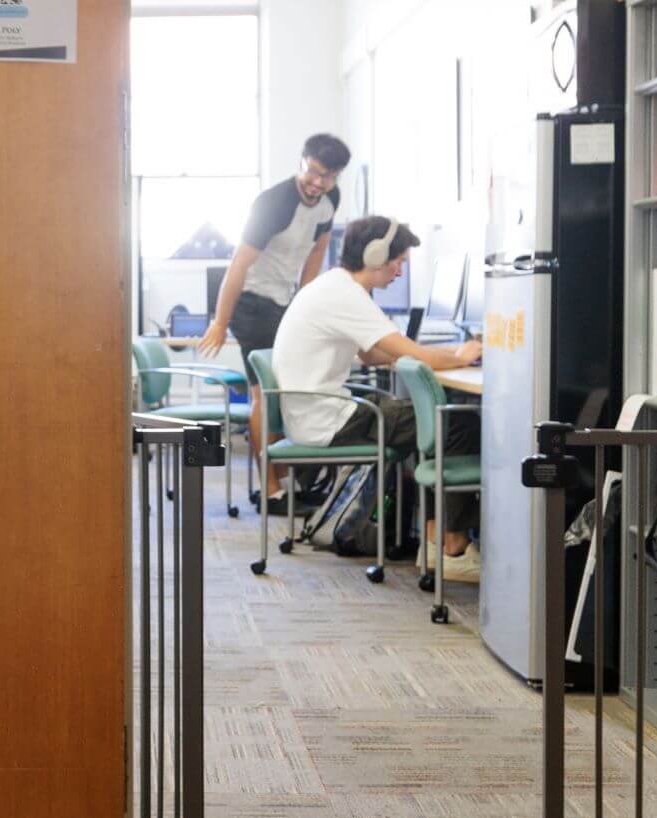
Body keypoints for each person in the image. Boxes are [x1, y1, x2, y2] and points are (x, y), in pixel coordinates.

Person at [270, 216, 485, 578]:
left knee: (433, 419)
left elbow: (373, 354)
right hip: (329, 418)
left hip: (321, 410)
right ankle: (451, 546)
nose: (400, 272)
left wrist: (438, 352)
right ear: (375, 255)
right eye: (398, 261)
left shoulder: (334, 286)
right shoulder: (347, 295)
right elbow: (417, 357)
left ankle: (435, 538)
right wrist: (456, 355)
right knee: (456, 423)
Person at [194, 133, 348, 509]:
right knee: (265, 390)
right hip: (251, 301)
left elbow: (318, 251)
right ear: (302, 161)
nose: (318, 182)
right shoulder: (273, 204)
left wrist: (305, 302)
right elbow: (238, 265)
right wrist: (219, 321)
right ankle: (271, 489)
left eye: (327, 176)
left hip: (282, 302)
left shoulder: (331, 200)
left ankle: (289, 480)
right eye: (313, 171)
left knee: (289, 386)